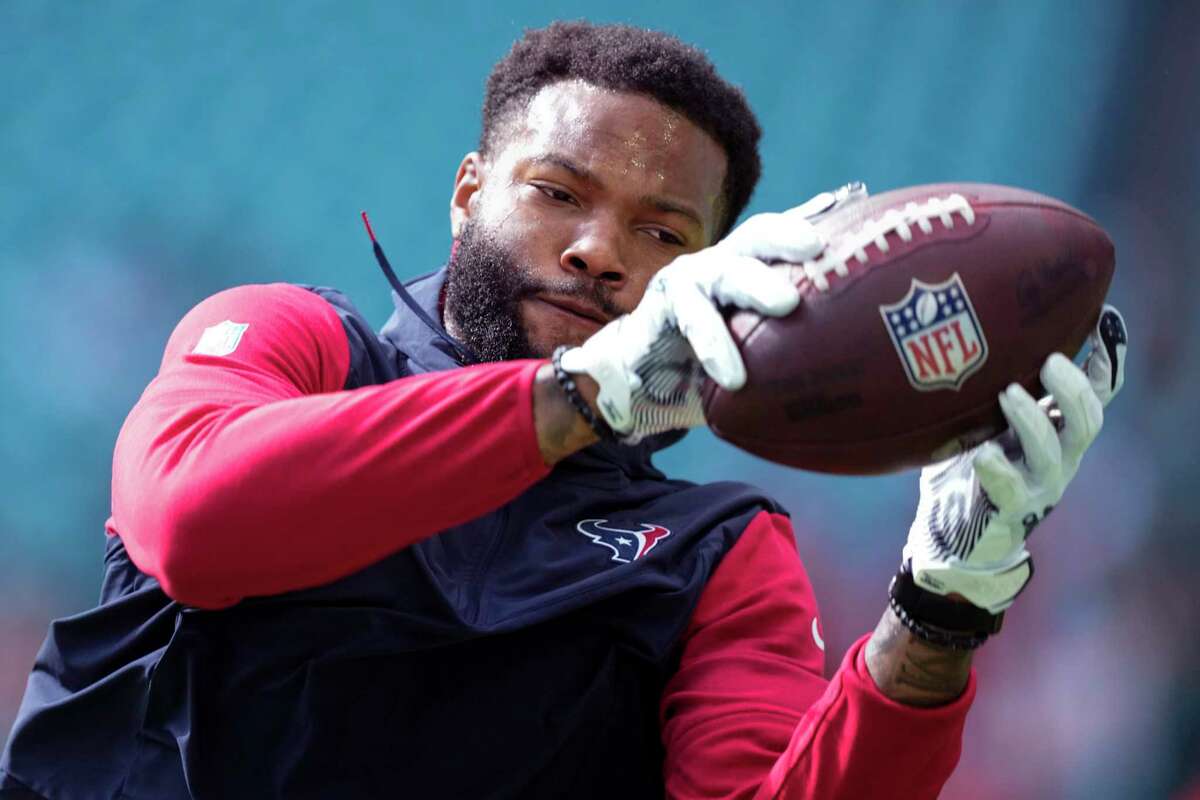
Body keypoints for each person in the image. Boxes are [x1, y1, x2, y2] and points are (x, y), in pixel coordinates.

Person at [0, 21, 1127, 800]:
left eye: (664, 232)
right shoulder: (291, 341)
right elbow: (196, 523)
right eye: (557, 195)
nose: (598, 252)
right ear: (467, 193)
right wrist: (581, 393)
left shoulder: (717, 557)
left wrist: (939, 614)